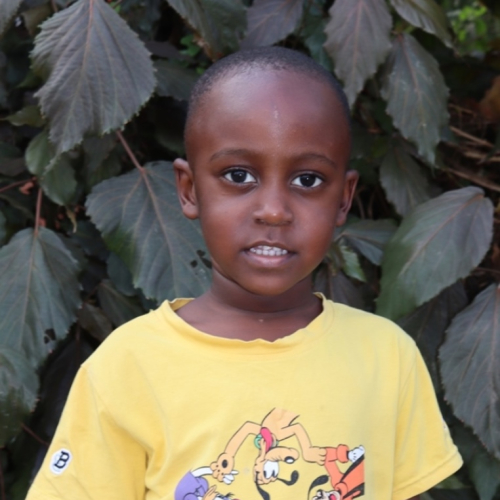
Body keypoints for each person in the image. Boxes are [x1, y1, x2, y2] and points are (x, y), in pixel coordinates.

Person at [26, 47, 462, 500]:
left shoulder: (386, 355)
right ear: (189, 190)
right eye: (238, 175)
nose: (273, 210)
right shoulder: (127, 366)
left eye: (308, 180)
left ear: (343, 199)